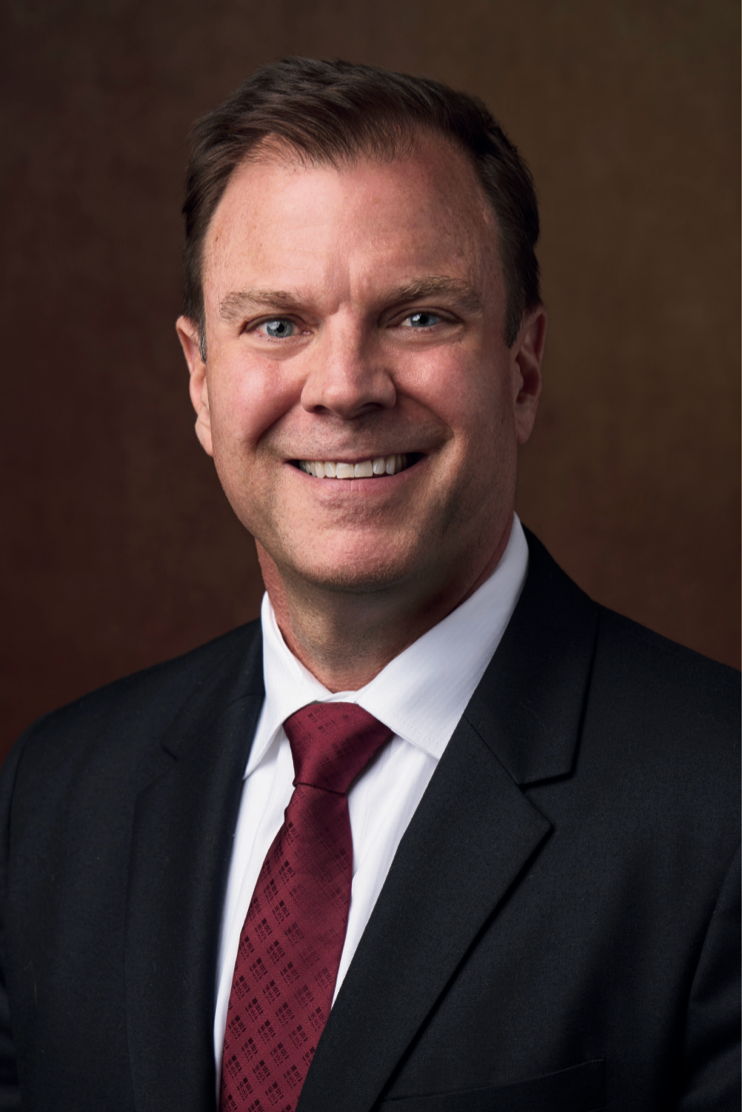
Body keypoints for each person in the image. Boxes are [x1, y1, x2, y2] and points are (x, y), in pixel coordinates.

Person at [0, 57, 738, 1112]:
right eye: (276, 323)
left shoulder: (719, 802)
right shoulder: (58, 795)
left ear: (520, 368)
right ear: (200, 380)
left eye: (418, 315)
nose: (343, 386)